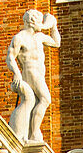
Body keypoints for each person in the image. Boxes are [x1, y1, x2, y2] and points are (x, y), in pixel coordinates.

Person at [6, 9, 60, 142]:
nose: (41, 24)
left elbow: (56, 43)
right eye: (39, 21)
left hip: (39, 73)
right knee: (45, 99)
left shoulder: (39, 37)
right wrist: (17, 74)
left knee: (33, 101)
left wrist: (53, 26)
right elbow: (10, 58)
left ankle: (30, 131)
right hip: (30, 71)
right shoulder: (20, 37)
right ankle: (35, 132)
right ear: (32, 21)